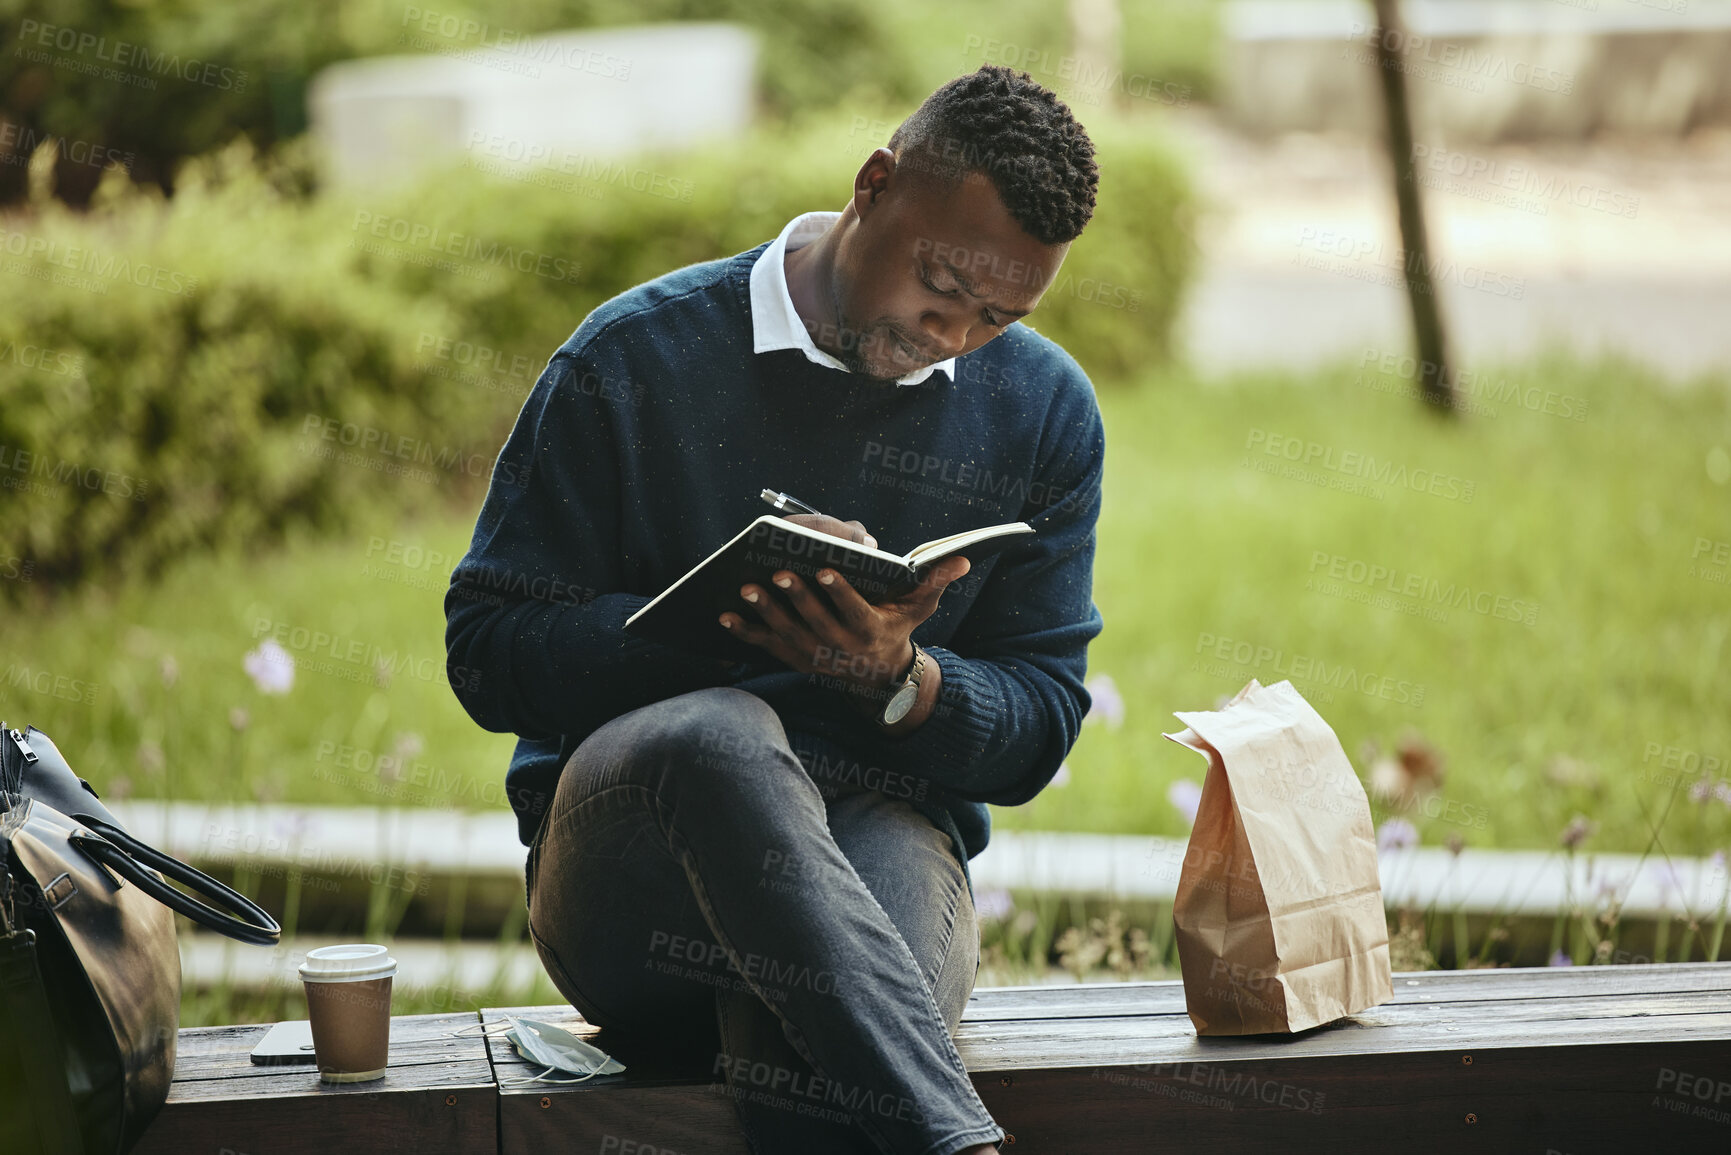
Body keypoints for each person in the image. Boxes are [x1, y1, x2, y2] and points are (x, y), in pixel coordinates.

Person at [445, 63, 1105, 1155]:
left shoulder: (1042, 411)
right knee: (722, 732)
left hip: (878, 841)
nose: (955, 333)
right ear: (875, 184)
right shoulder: (635, 356)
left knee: (819, 1045)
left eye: (999, 316)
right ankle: (954, 1140)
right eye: (941, 284)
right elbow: (488, 653)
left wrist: (902, 681)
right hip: (633, 880)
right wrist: (724, 620)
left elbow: (1039, 720)